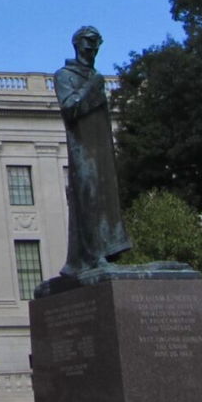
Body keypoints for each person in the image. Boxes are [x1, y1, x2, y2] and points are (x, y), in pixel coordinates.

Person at [53, 25, 130, 279]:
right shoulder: (65, 75)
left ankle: (105, 251)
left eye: (96, 43)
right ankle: (91, 255)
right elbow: (70, 108)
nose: (92, 48)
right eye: (88, 42)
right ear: (77, 44)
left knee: (106, 197)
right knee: (89, 198)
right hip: (82, 150)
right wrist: (93, 87)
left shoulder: (93, 75)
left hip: (101, 148)